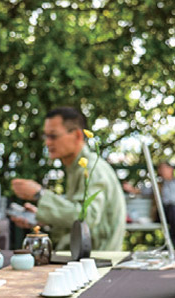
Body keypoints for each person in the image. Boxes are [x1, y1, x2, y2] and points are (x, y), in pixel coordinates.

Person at [11, 107, 126, 251]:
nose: (47, 143)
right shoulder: (76, 168)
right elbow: (77, 219)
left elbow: (88, 218)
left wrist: (40, 195)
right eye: (45, 136)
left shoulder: (91, 168)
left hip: (99, 264)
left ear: (77, 135)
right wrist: (41, 219)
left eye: (53, 136)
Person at [123, 161, 175, 248]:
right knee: (173, 208)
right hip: (165, 212)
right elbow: (140, 191)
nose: (161, 171)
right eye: (160, 169)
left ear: (171, 169)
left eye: (163, 168)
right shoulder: (158, 185)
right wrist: (131, 189)